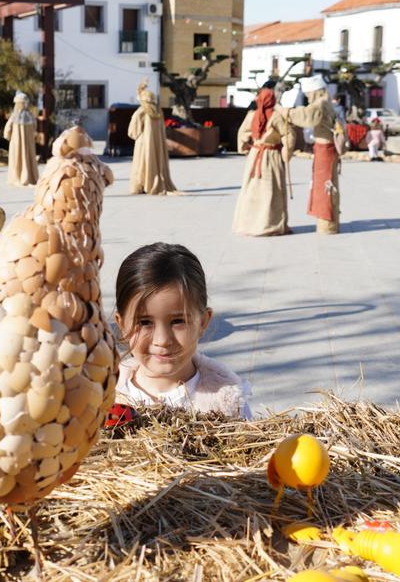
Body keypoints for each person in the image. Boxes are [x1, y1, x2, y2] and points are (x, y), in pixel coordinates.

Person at [113, 243, 251, 418]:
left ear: (203, 322)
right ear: (121, 324)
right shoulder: (100, 398)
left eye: (178, 321)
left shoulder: (229, 403)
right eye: (145, 322)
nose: (162, 340)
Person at [232, 86, 298, 236]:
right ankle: (270, 224)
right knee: (271, 190)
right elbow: (288, 135)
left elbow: (242, 132)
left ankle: (249, 224)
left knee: (252, 190)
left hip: (255, 155)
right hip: (272, 155)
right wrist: (286, 152)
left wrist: (244, 148)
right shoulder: (276, 117)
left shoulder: (252, 115)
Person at [287, 75, 342, 234]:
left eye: (308, 94)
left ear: (314, 92)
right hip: (327, 148)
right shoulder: (327, 102)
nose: (307, 97)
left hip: (325, 149)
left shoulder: (320, 103)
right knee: (328, 185)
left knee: (324, 187)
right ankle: (329, 224)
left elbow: (306, 116)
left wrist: (286, 112)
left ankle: (326, 225)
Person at [127, 81, 179, 195]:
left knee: (142, 165)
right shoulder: (159, 112)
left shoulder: (140, 112)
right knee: (155, 162)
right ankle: (153, 184)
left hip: (143, 145)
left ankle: (143, 185)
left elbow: (132, 132)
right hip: (157, 143)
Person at [2, 91, 38, 187]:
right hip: (28, 143)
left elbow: (7, 130)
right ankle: (28, 178)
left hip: (17, 142)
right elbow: (35, 128)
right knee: (25, 158)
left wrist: (9, 138)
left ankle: (19, 178)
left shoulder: (15, 116)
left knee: (18, 158)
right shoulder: (30, 116)